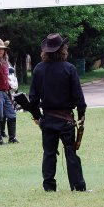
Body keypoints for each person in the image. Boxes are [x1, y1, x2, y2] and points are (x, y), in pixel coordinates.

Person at [29, 33, 87, 192]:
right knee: (70, 152)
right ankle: (78, 185)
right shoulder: (69, 69)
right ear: (63, 49)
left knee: (48, 153)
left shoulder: (39, 69)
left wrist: (37, 117)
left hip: (47, 119)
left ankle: (49, 186)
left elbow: (32, 99)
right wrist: (82, 115)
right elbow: (78, 97)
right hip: (65, 119)